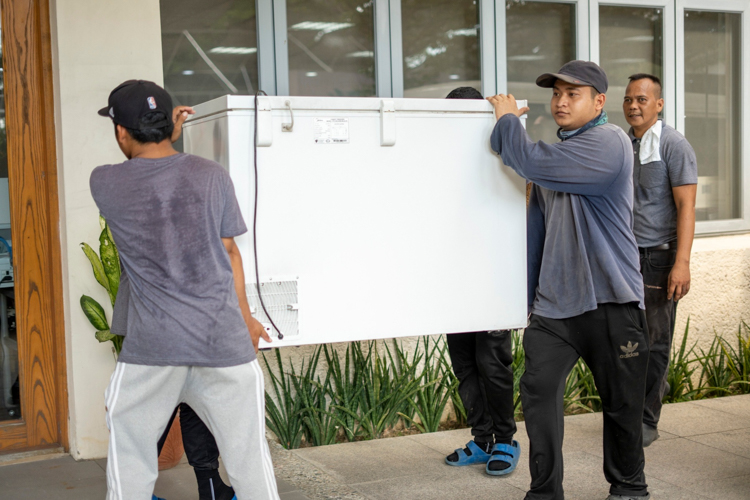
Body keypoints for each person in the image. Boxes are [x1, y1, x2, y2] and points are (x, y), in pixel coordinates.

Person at [93, 79, 279, 499]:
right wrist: (247, 316)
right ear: (168, 125)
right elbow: (231, 252)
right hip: (223, 342)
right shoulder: (213, 176)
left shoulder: (104, 183)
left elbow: (148, 173)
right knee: (251, 462)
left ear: (121, 131)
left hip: (152, 350)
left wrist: (165, 134)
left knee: (131, 459)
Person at [487, 61, 650, 500]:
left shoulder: (609, 143)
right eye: (556, 93)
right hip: (555, 307)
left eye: (572, 93)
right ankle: (544, 492)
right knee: (538, 398)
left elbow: (527, 156)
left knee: (621, 407)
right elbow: (536, 234)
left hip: (610, 301)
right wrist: (522, 303)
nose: (560, 101)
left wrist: (505, 119)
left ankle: (629, 489)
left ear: (598, 102)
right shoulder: (553, 161)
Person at [441, 87, 521, 476]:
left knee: (493, 363)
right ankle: (482, 438)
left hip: (493, 278)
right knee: (464, 363)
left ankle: (506, 440)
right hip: (453, 280)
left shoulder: (500, 152)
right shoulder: (438, 162)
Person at [622, 74, 697, 447]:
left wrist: (681, 263)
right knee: (625, 338)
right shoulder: (624, 144)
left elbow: (686, 207)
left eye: (642, 99)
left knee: (655, 342)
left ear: (659, 104)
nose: (633, 106)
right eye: (628, 100)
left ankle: (648, 419)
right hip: (623, 257)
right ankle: (630, 411)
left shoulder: (672, 144)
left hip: (658, 259)